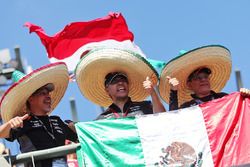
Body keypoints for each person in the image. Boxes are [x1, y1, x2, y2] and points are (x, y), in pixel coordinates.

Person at [0, 62, 78, 167]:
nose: (48, 97)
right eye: (43, 93)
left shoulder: (57, 121)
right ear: (30, 98)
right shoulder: (24, 122)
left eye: (48, 93)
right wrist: (10, 124)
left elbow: (82, 137)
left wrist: (77, 128)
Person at [75, 48, 166, 119]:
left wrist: (152, 93)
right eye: (114, 81)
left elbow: (163, 118)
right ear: (107, 89)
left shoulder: (146, 106)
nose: (121, 83)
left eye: (124, 80)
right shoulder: (102, 120)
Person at [158, 45, 250, 110]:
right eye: (197, 77)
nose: (203, 80)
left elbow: (243, 112)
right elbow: (173, 120)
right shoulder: (188, 107)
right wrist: (174, 91)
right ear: (189, 85)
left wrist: (246, 96)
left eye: (206, 76)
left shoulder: (224, 97)